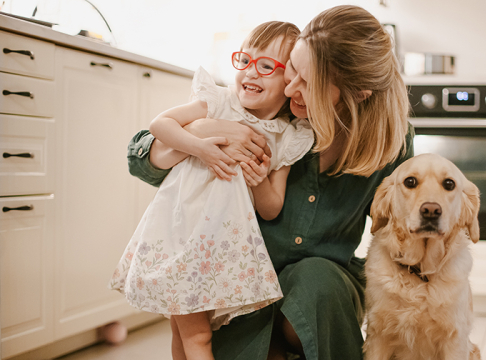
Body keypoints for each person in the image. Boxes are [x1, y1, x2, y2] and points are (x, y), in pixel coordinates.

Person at [126, 5, 414, 360]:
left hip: (322, 295)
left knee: (317, 281)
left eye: (308, 83)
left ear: (357, 93)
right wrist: (203, 132)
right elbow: (141, 160)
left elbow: (402, 235)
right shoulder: (262, 109)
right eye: (293, 68)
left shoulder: (388, 141)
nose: (291, 87)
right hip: (238, 282)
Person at [110, 21, 314, 360]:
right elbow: (161, 125)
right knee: (198, 336)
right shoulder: (219, 103)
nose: (251, 73)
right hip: (182, 233)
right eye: (244, 61)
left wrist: (258, 178)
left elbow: (271, 208)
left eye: (266, 67)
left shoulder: (285, 137)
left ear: (290, 81)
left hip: (222, 248)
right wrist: (199, 146)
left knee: (184, 331)